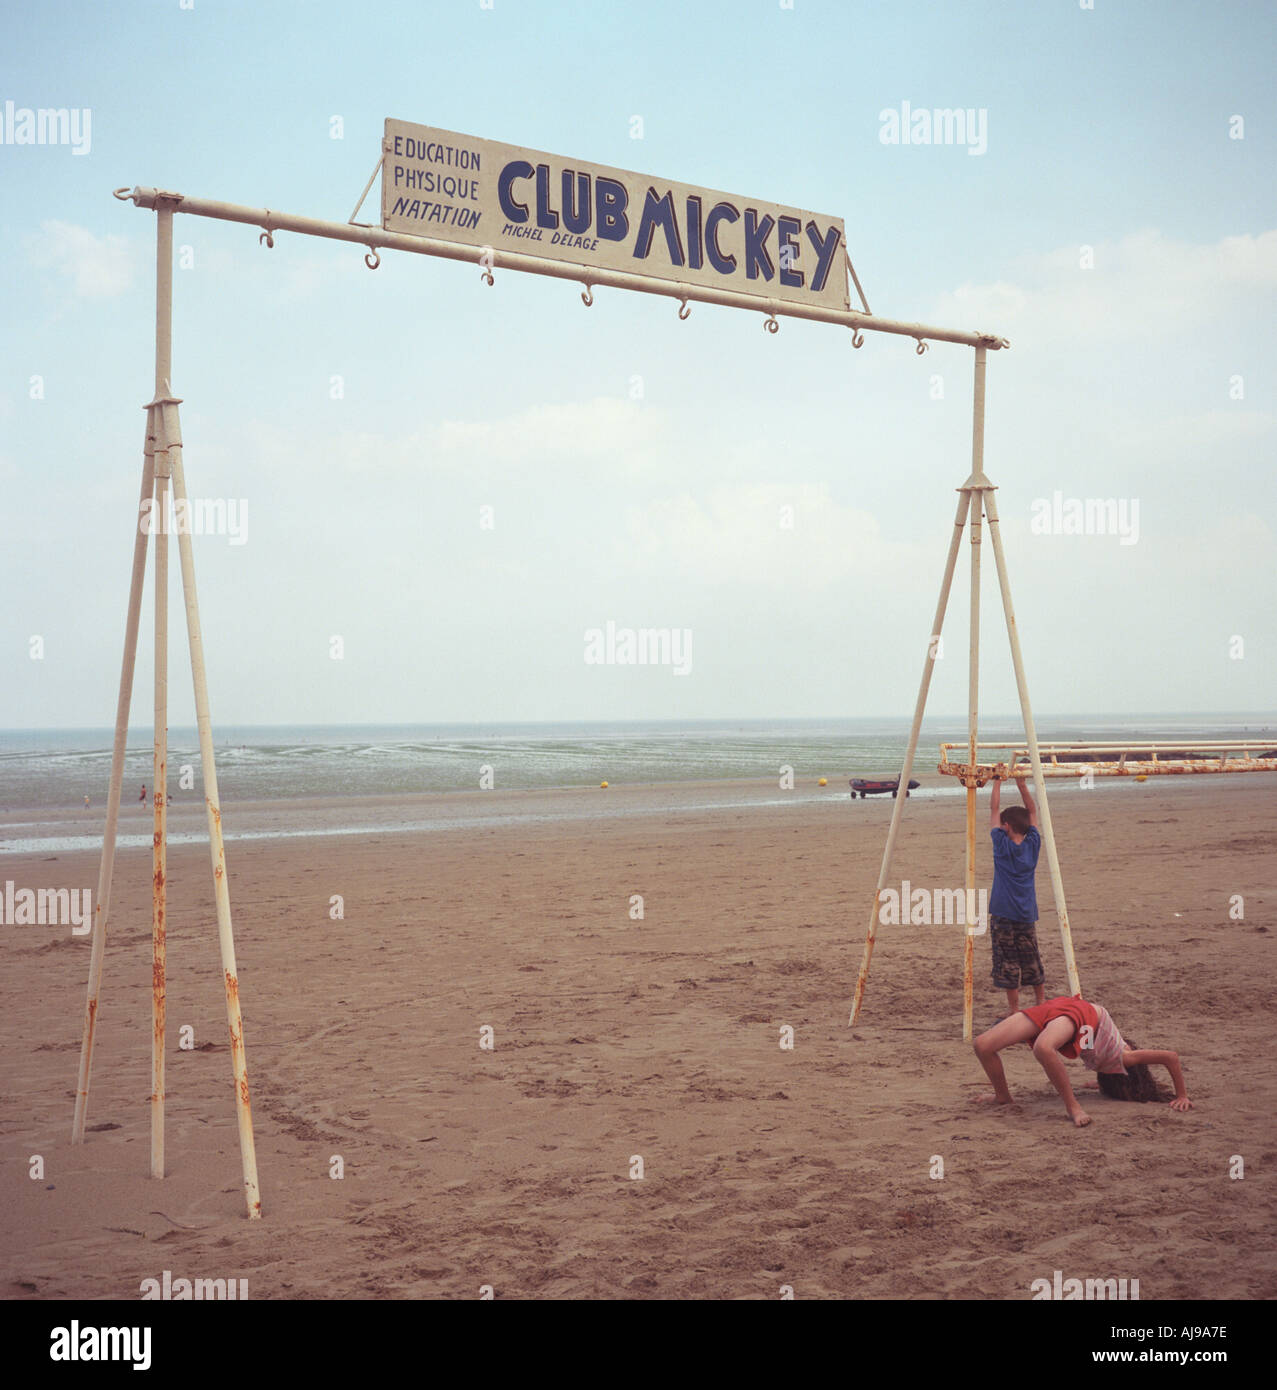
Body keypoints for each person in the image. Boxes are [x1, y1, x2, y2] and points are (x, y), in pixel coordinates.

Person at [973, 994, 1192, 1127]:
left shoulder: (1105, 1064)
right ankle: (1004, 1097)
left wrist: (1100, 1085)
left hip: (1070, 1011)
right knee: (989, 1045)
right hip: (1084, 1013)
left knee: (987, 1045)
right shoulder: (1125, 1058)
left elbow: (1099, 1067)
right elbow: (1170, 1057)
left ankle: (1073, 1107)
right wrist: (1182, 1095)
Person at [989, 774, 1045, 1016]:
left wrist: (997, 781)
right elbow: (1033, 812)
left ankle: (1014, 1010)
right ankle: (1041, 1004)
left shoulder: (1002, 846)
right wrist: (1022, 784)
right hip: (1026, 913)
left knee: (1007, 961)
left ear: (1006, 827)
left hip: (1003, 913)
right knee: (1031, 956)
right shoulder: (1033, 844)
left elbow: (993, 808)